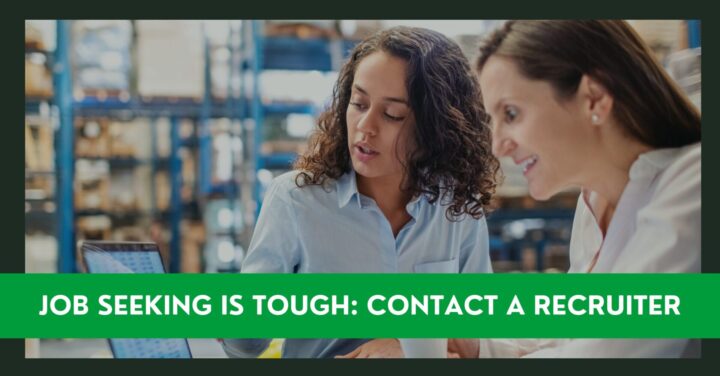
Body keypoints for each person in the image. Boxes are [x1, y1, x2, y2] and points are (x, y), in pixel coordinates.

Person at [222, 26, 499, 358]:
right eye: (359, 103)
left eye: (392, 114)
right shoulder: (295, 200)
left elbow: (481, 340)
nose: (366, 127)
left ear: (434, 128)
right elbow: (244, 343)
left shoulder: (458, 209)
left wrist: (405, 348)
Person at [447, 20, 700, 358]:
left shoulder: (695, 183)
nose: (498, 147)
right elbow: (579, 337)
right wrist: (476, 348)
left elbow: (613, 352)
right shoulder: (593, 203)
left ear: (594, 98)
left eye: (511, 113)